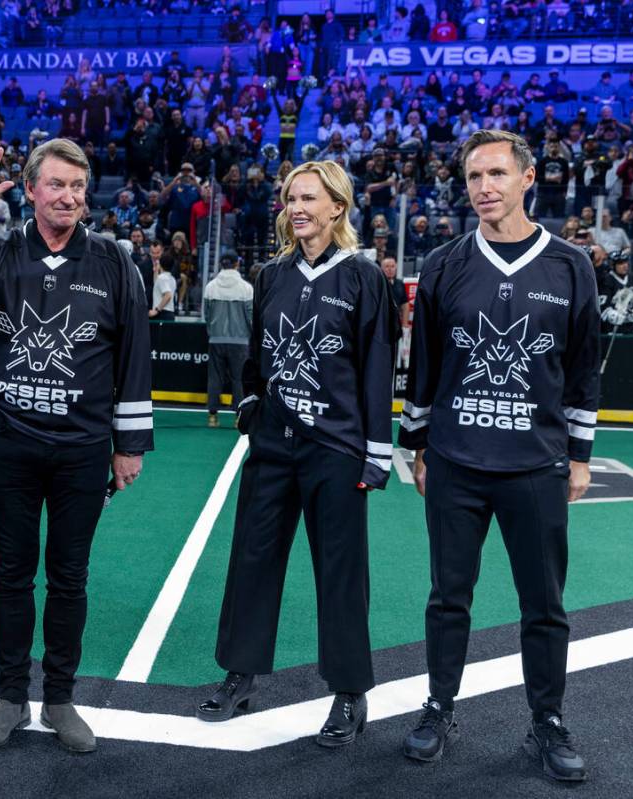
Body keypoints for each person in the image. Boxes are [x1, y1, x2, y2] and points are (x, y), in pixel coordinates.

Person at [0, 138, 153, 753]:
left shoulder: (112, 260)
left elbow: (133, 356)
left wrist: (129, 444)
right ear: (30, 191)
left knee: (70, 578)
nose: (70, 197)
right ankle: (10, 697)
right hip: (11, 443)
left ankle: (60, 699)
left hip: (82, 450)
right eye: (56, 185)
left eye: (78, 187)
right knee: (13, 573)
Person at [398, 130, 600, 781]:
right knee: (448, 596)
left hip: (536, 465)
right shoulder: (443, 264)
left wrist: (580, 453)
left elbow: (583, 370)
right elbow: (424, 365)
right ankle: (438, 705)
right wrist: (418, 446)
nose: (484, 187)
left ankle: (548, 719)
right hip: (456, 460)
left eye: (496, 174)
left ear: (527, 177)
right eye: (474, 176)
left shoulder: (570, 264)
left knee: (544, 604)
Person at [197, 161, 394, 751]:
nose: (297, 207)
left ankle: (350, 692)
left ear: (338, 205)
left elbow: (377, 368)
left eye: (309, 197)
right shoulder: (272, 273)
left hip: (336, 450)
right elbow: (257, 355)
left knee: (340, 573)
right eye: (290, 198)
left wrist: (376, 455)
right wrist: (253, 403)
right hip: (274, 447)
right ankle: (241, 674)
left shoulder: (364, 277)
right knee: (252, 560)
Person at [203, 254, 253, 428]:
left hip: (216, 339)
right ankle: (238, 417)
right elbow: (250, 317)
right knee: (238, 379)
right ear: (237, 264)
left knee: (214, 377)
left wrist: (212, 332)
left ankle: (212, 416)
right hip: (240, 341)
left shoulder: (210, 287)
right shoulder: (246, 288)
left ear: (220, 264)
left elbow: (207, 315)